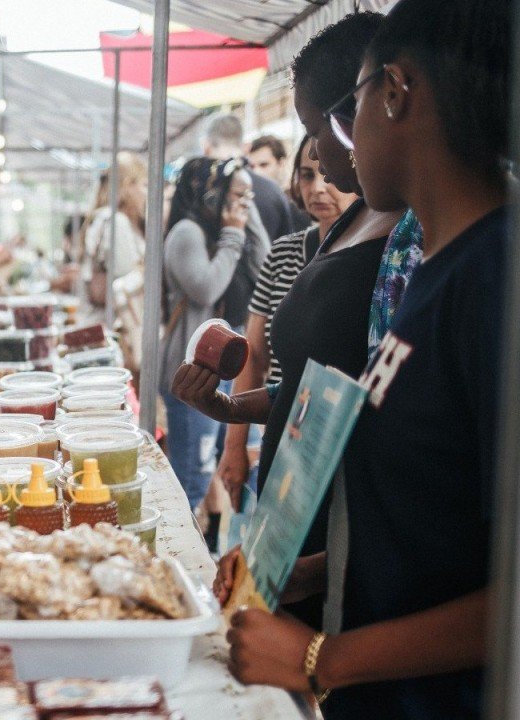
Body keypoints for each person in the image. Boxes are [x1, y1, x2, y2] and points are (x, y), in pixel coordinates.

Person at [220, 1, 510, 716]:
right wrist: (305, 576)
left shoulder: (498, 278)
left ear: (394, 90)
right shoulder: (429, 273)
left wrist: (325, 657)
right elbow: (427, 520)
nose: (328, 153)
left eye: (345, 110)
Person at [174, 11, 409, 629]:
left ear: (363, 108)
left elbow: (382, 411)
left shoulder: (413, 247)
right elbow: (321, 388)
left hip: (355, 547)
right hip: (294, 525)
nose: (315, 152)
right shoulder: (345, 229)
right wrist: (232, 412)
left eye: (316, 128)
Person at [212, 135, 359, 506]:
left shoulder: (372, 257)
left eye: (327, 174)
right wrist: (234, 446)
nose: (318, 188)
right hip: (276, 434)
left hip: (336, 450)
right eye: (307, 175)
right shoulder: (283, 252)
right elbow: (254, 357)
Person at [158, 157, 268, 509]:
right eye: (237, 195)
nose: (243, 204)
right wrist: (233, 235)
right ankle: (178, 555)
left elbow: (266, 270)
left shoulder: (229, 230)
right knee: (194, 474)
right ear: (211, 195)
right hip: (195, 369)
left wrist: (246, 224)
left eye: (249, 196)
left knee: (236, 460)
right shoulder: (188, 233)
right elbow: (206, 289)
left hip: (229, 365)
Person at [203, 115, 306, 238]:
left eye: (264, 165)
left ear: (206, 147)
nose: (258, 171)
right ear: (245, 148)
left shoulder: (197, 190)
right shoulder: (273, 192)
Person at [79, 152, 147, 325]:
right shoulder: (117, 222)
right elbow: (126, 282)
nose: (147, 193)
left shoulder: (111, 219)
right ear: (127, 186)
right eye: (144, 185)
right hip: (116, 328)